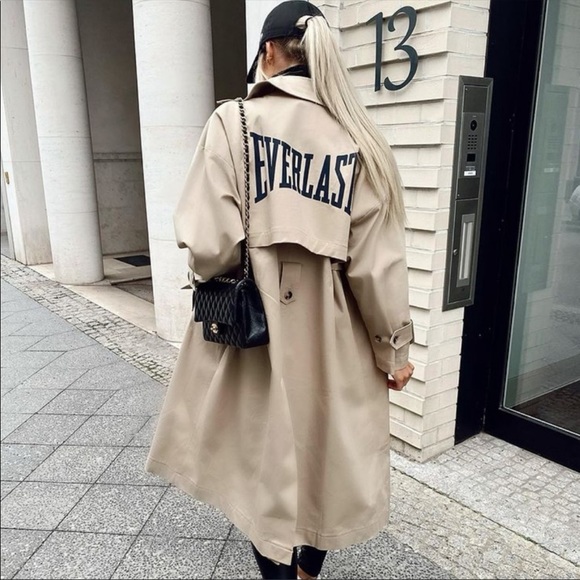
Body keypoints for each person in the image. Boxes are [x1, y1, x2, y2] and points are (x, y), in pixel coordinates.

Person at [145, 1, 415, 578]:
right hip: (333, 337)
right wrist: (394, 351)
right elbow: (378, 267)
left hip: (256, 335)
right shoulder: (360, 138)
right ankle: (308, 572)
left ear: (268, 52)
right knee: (321, 466)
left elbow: (209, 246)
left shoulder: (233, 123)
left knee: (260, 467)